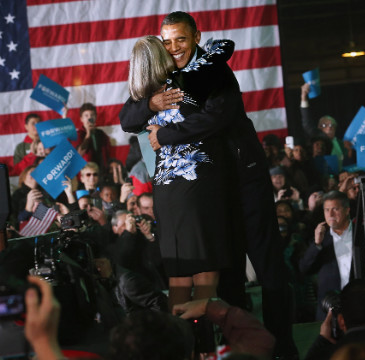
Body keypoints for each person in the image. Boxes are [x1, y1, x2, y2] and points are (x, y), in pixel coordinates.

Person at [119, 12, 296, 357]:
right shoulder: (166, 77)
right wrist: (151, 104)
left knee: (268, 267)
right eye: (167, 42)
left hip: (246, 183)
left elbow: (219, 115)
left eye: (181, 40)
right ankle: (240, 348)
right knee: (229, 277)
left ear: (196, 37)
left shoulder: (216, 69)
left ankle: (282, 347)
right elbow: (127, 118)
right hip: (213, 195)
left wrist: (165, 135)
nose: (173, 48)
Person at [121, 34, 243, 313]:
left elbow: (125, 120)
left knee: (178, 274)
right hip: (196, 187)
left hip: (166, 192)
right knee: (205, 268)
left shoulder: (143, 98)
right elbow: (224, 49)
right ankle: (204, 346)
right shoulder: (184, 84)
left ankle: (180, 342)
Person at [300, 190, 365, 320]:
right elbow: (304, 269)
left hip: (364, 307)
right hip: (329, 312)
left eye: (335, 209)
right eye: (326, 210)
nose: (330, 214)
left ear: (347, 210)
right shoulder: (320, 239)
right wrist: (317, 245)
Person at [73, 102, 113, 172]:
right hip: (85, 173)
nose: (90, 118)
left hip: (101, 172)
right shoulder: (78, 134)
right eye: (86, 115)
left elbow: (107, 154)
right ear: (81, 119)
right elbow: (79, 154)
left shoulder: (101, 134)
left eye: (92, 115)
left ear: (96, 117)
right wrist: (88, 134)